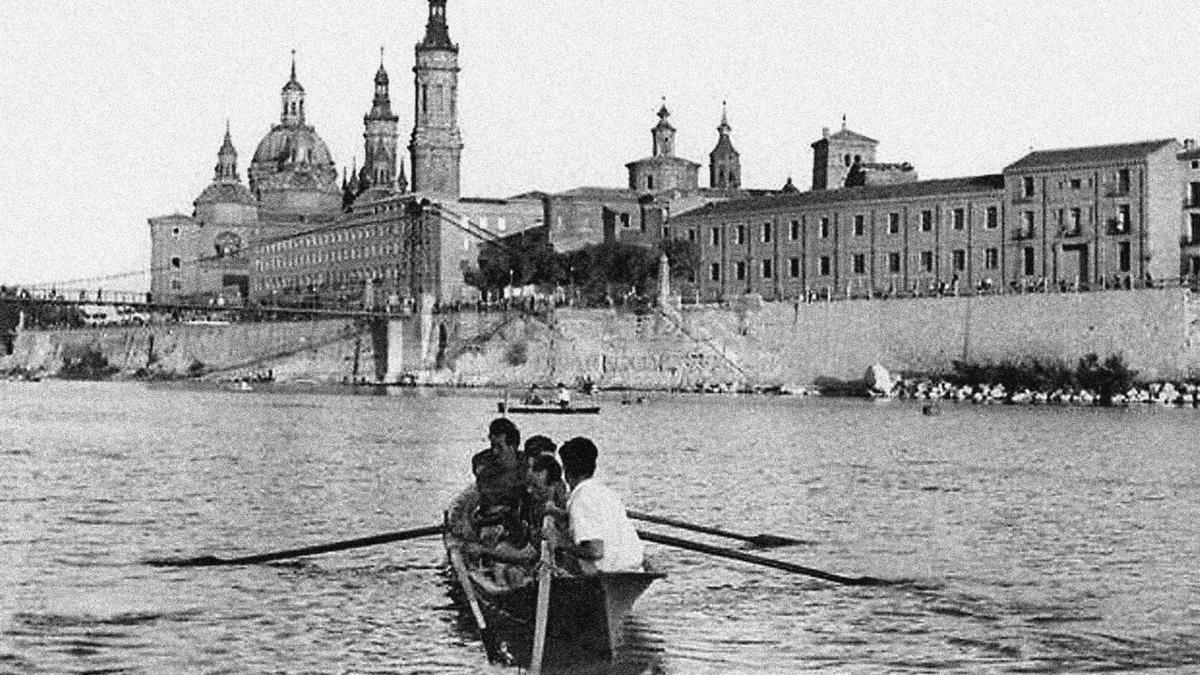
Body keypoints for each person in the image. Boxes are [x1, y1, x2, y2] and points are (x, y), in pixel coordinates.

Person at [555, 436, 644, 574]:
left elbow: (596, 551)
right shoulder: (604, 492)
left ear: (566, 471)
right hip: (633, 567)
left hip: (610, 575)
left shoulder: (581, 498)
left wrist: (559, 541)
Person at [471, 418, 526, 528]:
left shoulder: (525, 463)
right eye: (493, 446)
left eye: (500, 447)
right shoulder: (482, 460)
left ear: (513, 447)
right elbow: (482, 485)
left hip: (516, 520)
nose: (495, 452)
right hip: (487, 520)